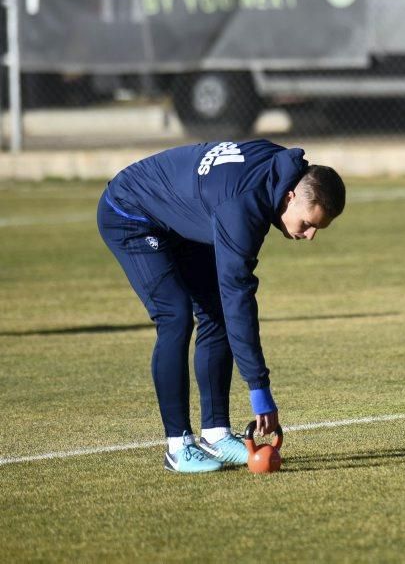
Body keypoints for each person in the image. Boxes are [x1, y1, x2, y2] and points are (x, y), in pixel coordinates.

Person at [97, 139, 345, 472]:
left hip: (186, 217)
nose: (310, 235)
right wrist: (259, 389)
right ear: (290, 197)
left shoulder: (278, 170)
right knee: (176, 316)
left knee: (215, 313)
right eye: (309, 223)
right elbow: (239, 299)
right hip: (131, 212)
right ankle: (178, 447)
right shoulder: (244, 207)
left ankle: (215, 435)